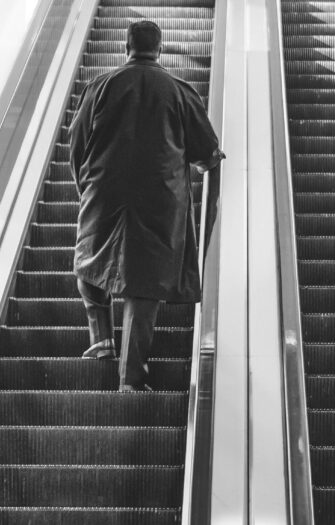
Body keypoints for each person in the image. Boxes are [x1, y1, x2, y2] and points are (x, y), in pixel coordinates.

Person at [69, 20, 224, 391]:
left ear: (126, 46)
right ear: (160, 49)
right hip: (161, 200)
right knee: (146, 285)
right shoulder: (181, 91)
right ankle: (131, 378)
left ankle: (101, 336)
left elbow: (76, 145)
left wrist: (85, 187)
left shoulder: (98, 86)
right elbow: (209, 156)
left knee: (88, 258)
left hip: (104, 192)